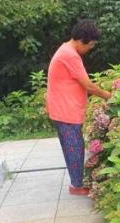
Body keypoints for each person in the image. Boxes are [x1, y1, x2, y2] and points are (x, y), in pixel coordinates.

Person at [46, 19, 112, 196]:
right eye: (91, 45)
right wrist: (109, 96)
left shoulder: (66, 50)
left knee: (73, 146)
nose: (90, 48)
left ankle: (77, 182)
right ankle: (76, 186)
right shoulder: (70, 55)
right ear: (82, 40)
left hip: (63, 109)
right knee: (74, 147)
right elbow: (88, 86)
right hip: (65, 110)